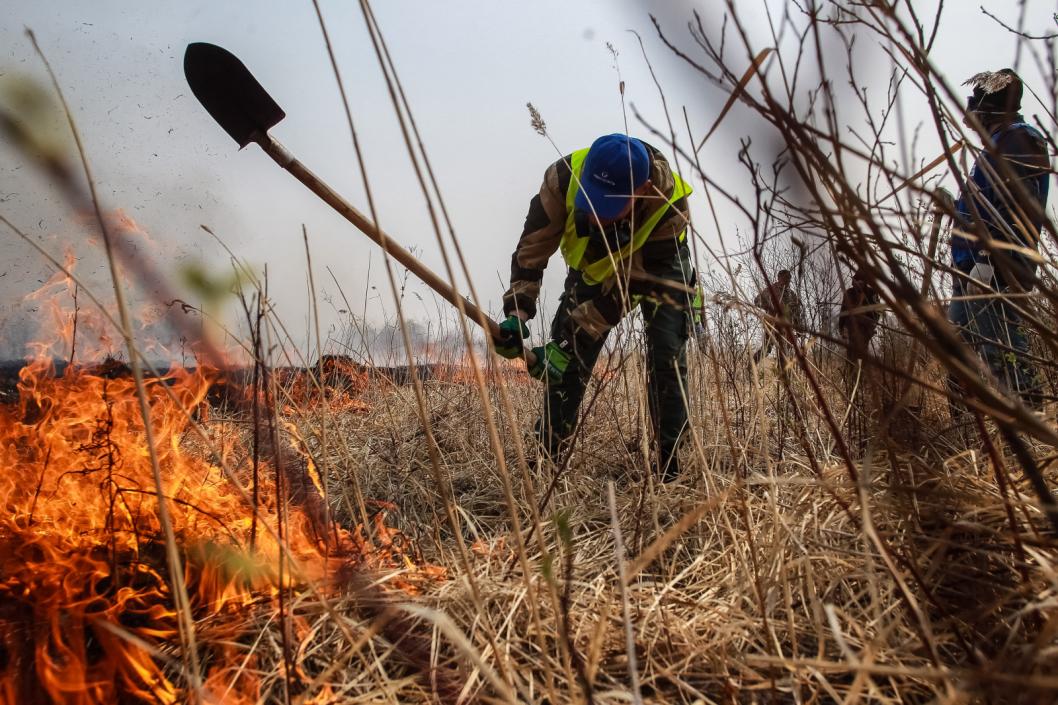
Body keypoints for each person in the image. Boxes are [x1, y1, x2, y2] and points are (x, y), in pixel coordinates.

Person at [492, 134, 694, 482]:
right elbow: (532, 249)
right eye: (591, 201)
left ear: (642, 190)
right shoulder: (562, 180)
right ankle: (546, 462)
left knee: (666, 360)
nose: (597, 213)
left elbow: (624, 291)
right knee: (564, 364)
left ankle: (671, 468)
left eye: (608, 206)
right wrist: (517, 314)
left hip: (659, 270)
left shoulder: (667, 205)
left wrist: (570, 340)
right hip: (594, 266)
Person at [948, 69, 1051, 407]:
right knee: (959, 351)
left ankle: (1033, 425)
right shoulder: (998, 145)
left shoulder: (1017, 139)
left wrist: (988, 262)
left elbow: (1012, 204)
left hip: (994, 268)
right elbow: (986, 203)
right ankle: (965, 432)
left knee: (1002, 348)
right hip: (972, 269)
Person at [753, 269, 803, 363]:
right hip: (772, 324)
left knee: (784, 353)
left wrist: (798, 328)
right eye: (785, 278)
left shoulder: (792, 294)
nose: (787, 281)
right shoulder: (771, 289)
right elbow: (757, 301)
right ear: (779, 278)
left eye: (789, 279)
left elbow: (796, 312)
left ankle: (782, 376)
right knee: (766, 349)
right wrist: (770, 306)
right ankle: (750, 367)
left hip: (786, 327)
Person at [838, 269, 881, 363]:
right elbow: (843, 312)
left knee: (862, 353)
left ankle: (862, 374)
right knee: (851, 354)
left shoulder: (872, 293)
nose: (859, 284)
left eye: (861, 281)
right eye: (857, 281)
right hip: (852, 327)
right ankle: (852, 373)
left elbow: (878, 312)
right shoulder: (849, 293)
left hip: (866, 327)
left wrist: (872, 325)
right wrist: (841, 328)